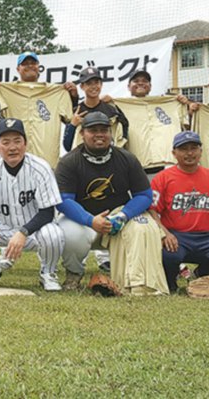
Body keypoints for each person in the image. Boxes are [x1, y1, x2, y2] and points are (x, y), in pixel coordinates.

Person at [55, 112, 160, 291]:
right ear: (82, 134)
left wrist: (123, 216)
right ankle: (74, 274)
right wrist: (90, 220)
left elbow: (144, 194)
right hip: (83, 220)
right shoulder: (69, 162)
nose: (99, 134)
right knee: (70, 234)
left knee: (143, 227)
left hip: (118, 219)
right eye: (93, 130)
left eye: (104, 130)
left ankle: (133, 278)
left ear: (111, 133)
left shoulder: (126, 158)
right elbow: (63, 201)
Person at [0, 118, 65, 291]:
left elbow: (47, 213)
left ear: (26, 144)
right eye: (6, 142)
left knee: (53, 233)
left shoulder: (41, 167)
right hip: (2, 225)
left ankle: (48, 272)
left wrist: (23, 232)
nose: (12, 147)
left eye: (17, 141)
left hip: (34, 229)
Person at [149, 130, 209, 293]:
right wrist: (164, 233)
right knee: (169, 256)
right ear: (174, 153)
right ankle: (170, 282)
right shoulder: (163, 178)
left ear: (201, 151)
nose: (189, 153)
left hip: (207, 236)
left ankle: (202, 274)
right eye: (183, 149)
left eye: (194, 148)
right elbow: (151, 210)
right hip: (176, 234)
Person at [0, 52, 76, 170]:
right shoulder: (6, 90)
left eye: (33, 63)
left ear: (38, 67)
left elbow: (70, 120)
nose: (29, 66)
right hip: (16, 160)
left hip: (47, 161)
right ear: (18, 69)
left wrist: (74, 96)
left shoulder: (57, 92)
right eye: (25, 64)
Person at [62, 66, 129, 152]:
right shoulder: (77, 111)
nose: (93, 86)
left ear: (101, 84)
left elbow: (124, 128)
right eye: (89, 83)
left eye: (96, 82)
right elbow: (67, 146)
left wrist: (118, 149)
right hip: (82, 161)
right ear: (82, 86)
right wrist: (72, 125)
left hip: (107, 160)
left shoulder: (111, 110)